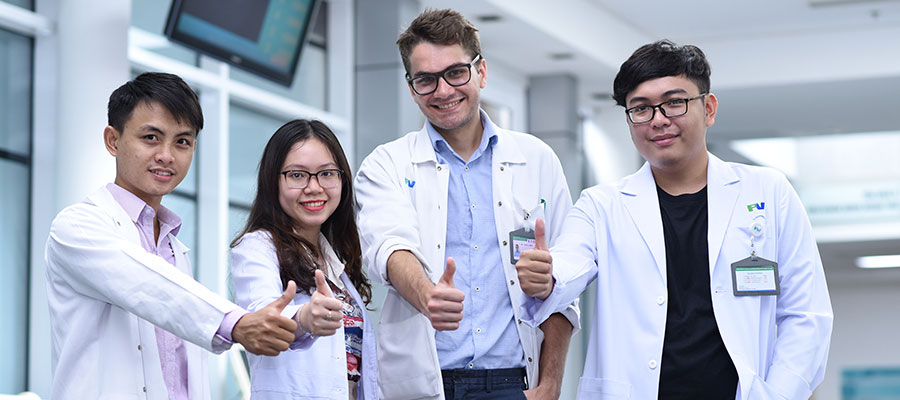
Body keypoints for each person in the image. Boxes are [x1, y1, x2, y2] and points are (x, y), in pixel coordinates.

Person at [516, 40, 834, 399]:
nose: (658, 120)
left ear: (708, 108)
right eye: (641, 108)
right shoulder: (601, 205)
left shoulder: (769, 192)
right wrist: (547, 276)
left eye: (674, 102)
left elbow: (806, 315)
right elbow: (569, 263)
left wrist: (778, 394)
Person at [354, 8, 579, 400]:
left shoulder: (536, 160)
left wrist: (550, 385)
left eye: (456, 73)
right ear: (411, 88)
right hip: (425, 383)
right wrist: (427, 294)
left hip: (513, 384)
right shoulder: (387, 164)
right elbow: (389, 246)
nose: (443, 91)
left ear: (481, 72)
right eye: (426, 79)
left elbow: (564, 284)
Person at [45, 72, 300, 399]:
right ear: (113, 140)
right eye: (151, 137)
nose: (166, 155)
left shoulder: (172, 247)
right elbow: (146, 285)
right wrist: (236, 324)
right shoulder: (77, 227)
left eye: (182, 142)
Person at [230, 119, 378, 399]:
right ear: (273, 181)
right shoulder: (257, 247)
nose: (314, 187)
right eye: (297, 175)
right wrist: (304, 318)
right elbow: (262, 316)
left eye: (327, 173)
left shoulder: (335, 260)